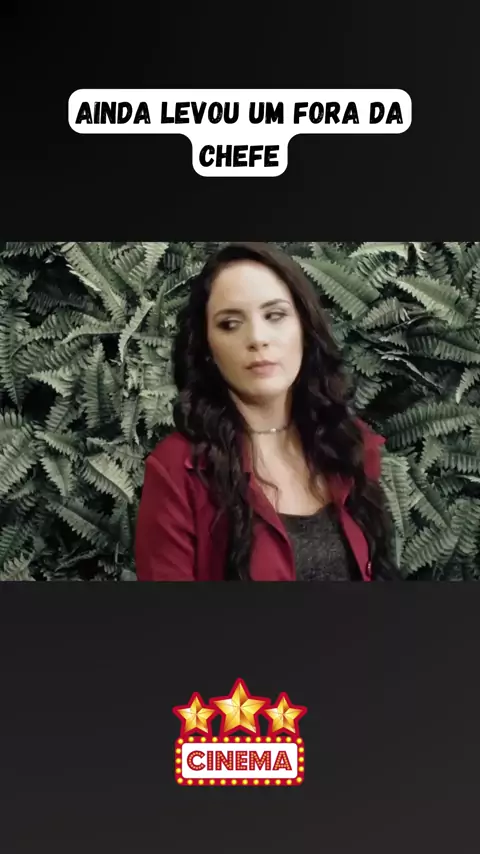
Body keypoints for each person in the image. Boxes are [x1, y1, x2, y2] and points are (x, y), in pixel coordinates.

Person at [135, 242, 399, 582]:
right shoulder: (177, 470)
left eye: (275, 316)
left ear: (305, 329)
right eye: (230, 324)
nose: (257, 338)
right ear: (207, 348)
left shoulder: (349, 444)